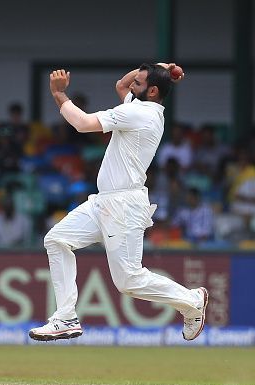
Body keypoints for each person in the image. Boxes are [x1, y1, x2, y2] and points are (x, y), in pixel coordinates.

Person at [28, 64, 208, 342]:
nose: (130, 83)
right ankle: (65, 317)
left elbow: (82, 123)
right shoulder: (143, 104)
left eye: (139, 81)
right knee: (56, 239)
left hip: (123, 206)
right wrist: (160, 66)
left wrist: (59, 95)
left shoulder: (139, 112)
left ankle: (192, 299)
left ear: (153, 91)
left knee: (129, 280)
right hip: (104, 202)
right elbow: (121, 86)